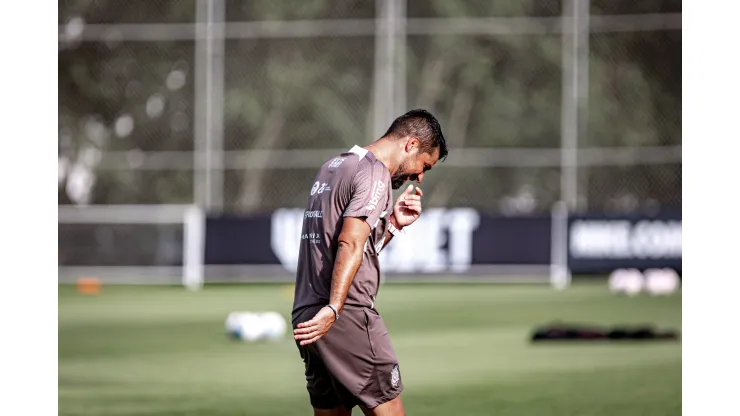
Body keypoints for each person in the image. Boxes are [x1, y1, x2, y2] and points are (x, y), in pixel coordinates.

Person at [291, 109, 449, 416]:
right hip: (343, 314)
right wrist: (335, 308)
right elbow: (349, 242)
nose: (419, 177)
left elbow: (352, 244)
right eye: (424, 165)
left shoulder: (334, 166)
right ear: (411, 144)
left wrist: (392, 224)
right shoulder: (374, 172)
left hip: (307, 312)